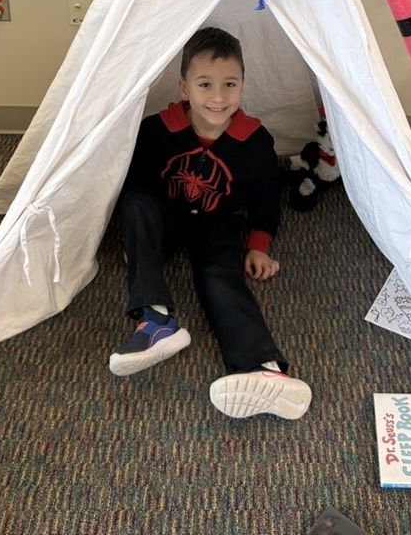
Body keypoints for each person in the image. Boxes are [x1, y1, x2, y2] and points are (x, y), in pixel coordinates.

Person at [110, 26, 312, 421]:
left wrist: (258, 244)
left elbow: (266, 196)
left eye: (229, 85)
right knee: (136, 203)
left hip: (219, 222)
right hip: (165, 217)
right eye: (205, 85)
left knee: (221, 273)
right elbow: (130, 184)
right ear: (185, 88)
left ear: (242, 86)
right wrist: (138, 241)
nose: (218, 97)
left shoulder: (254, 140)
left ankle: (263, 368)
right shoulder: (156, 130)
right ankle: (154, 323)